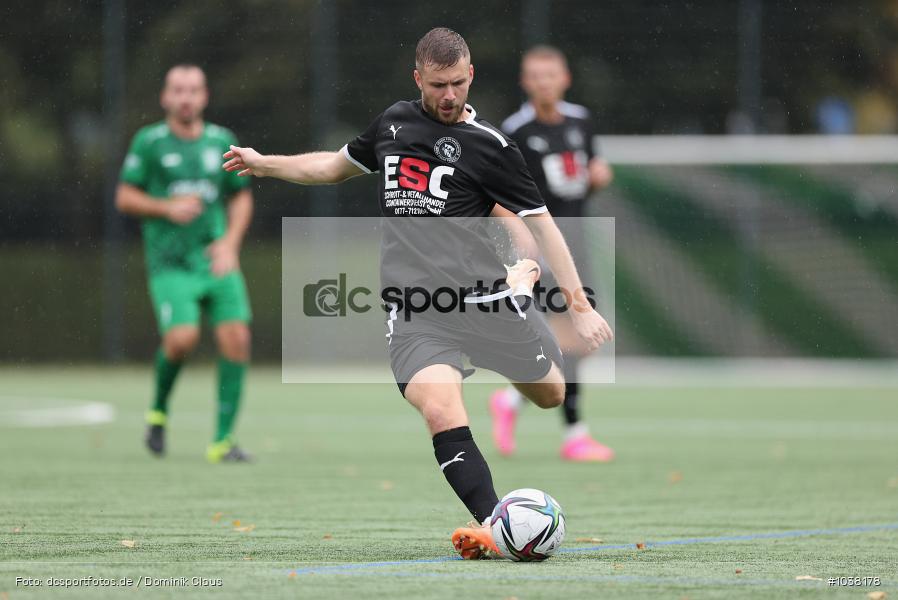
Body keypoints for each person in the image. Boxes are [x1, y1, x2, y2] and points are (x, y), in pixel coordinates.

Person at [222, 28, 612, 559]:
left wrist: (579, 306)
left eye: (457, 83)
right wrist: (266, 163)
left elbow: (542, 226)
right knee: (438, 407)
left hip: (484, 303)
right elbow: (333, 167)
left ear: (471, 75)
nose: (449, 96)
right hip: (417, 311)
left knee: (551, 395)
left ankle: (518, 294)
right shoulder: (393, 123)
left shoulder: (493, 148)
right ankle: (496, 527)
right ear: (418, 79)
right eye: (437, 85)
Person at [117, 64, 254, 463]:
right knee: (182, 339)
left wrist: (230, 243)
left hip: (215, 258)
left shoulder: (221, 141)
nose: (186, 97)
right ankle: (158, 411)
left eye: (193, 90)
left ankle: (222, 442)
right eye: (178, 90)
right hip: (171, 263)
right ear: (165, 97)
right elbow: (124, 197)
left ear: (204, 96)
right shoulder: (150, 142)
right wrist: (165, 206)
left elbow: (241, 195)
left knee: (238, 341)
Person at [490, 45, 616, 462]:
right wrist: (521, 236)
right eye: (535, 75)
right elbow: (497, 194)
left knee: (580, 340)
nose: (544, 82)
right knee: (575, 336)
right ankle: (575, 434)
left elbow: (584, 177)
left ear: (565, 78)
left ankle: (512, 401)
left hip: (575, 245)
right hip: (541, 248)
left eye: (551, 74)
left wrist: (598, 178)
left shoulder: (581, 120)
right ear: (525, 83)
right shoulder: (516, 130)